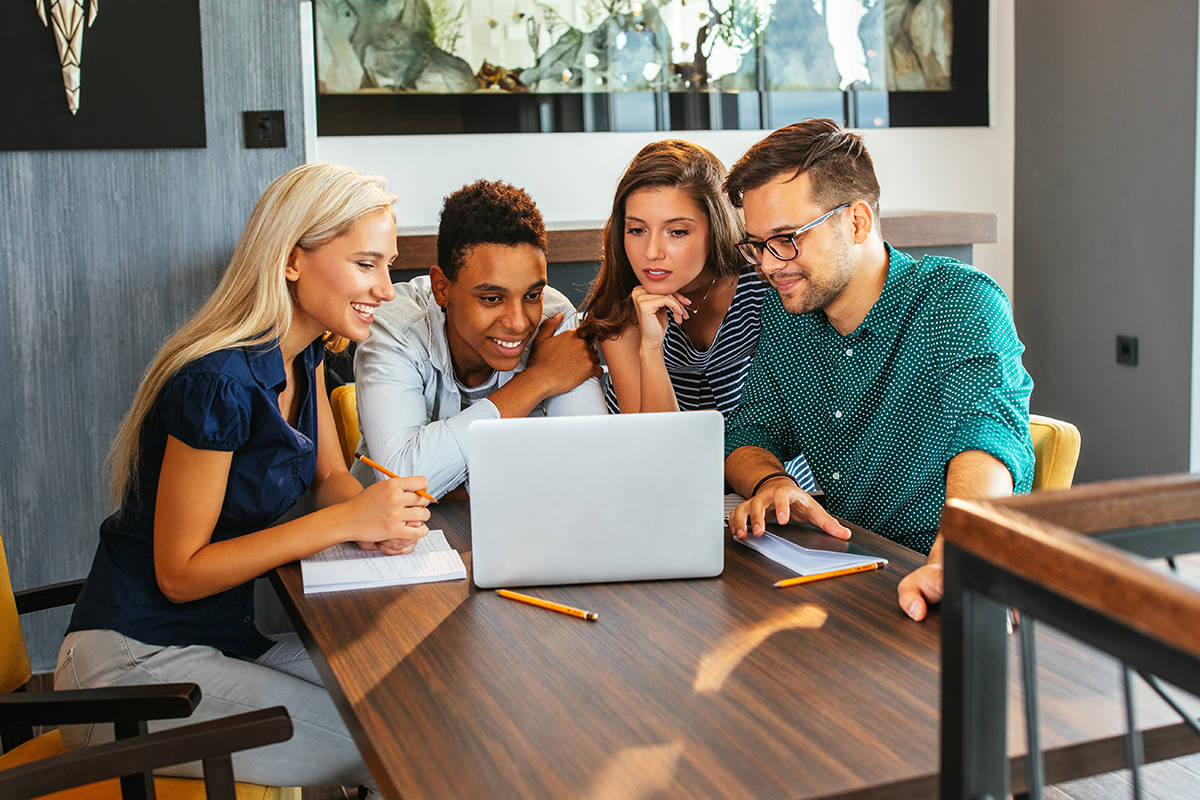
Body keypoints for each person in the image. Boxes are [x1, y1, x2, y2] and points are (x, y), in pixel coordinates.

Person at [56, 164, 430, 791]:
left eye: (388, 265)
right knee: (395, 747)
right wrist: (343, 520)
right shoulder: (218, 383)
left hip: (222, 642)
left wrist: (374, 521)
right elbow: (180, 574)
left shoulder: (304, 351)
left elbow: (332, 474)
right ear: (290, 261)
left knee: (415, 706)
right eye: (367, 264)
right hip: (132, 667)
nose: (387, 290)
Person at [721, 119, 1034, 622]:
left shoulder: (957, 301)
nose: (769, 265)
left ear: (858, 222)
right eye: (756, 245)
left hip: (947, 583)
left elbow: (989, 436)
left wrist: (959, 555)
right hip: (857, 577)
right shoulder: (786, 314)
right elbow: (748, 433)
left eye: (785, 239)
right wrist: (770, 482)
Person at [578, 139, 816, 489]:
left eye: (677, 231)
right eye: (636, 230)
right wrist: (650, 349)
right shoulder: (622, 307)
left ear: (715, 228)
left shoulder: (767, 286)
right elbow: (657, 457)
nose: (652, 252)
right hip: (673, 492)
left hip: (770, 490)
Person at [351, 179, 604, 498]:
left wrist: (452, 476)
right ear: (442, 288)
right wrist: (538, 381)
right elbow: (402, 482)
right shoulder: (395, 326)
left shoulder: (553, 320)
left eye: (532, 294)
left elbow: (591, 467)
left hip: (517, 531)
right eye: (492, 299)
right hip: (391, 542)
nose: (518, 322)